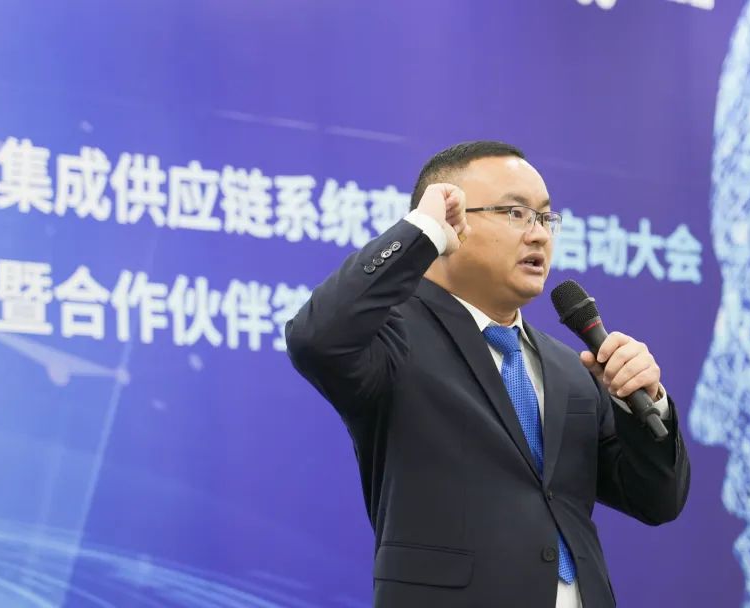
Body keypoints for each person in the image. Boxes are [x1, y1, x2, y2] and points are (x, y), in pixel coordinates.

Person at [285, 141, 690, 608]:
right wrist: (419, 234)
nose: (539, 235)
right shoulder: (393, 340)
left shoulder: (573, 368)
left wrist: (645, 404)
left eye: (545, 218)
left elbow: (657, 500)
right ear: (449, 220)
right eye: (516, 213)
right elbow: (315, 337)